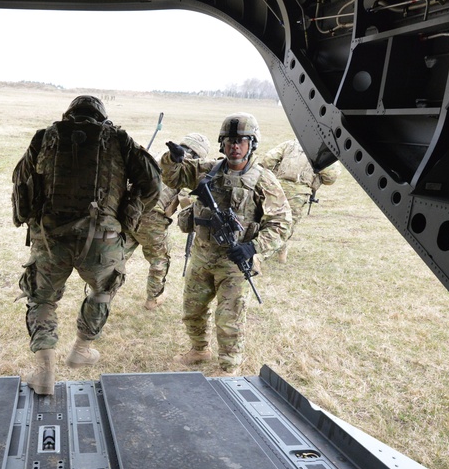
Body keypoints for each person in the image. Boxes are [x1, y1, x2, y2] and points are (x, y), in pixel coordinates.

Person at [12, 95, 161, 395]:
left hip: (51, 237)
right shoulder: (118, 138)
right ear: (101, 118)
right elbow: (153, 185)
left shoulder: (45, 138)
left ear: (68, 116)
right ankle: (82, 348)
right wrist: (125, 216)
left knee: (42, 299)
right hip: (101, 240)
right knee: (103, 289)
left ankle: (44, 373)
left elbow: (20, 180)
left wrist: (30, 220)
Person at [161, 113, 291, 377]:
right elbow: (173, 177)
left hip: (233, 262)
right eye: (230, 140)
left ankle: (229, 368)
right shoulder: (208, 169)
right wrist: (172, 159)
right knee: (192, 309)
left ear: (252, 144)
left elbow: (281, 223)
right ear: (222, 143)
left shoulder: (263, 179)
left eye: (242, 141)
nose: (235, 146)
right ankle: (199, 349)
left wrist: (252, 248)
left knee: (228, 319)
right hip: (202, 256)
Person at [125, 133, 211, 310]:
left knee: (120, 254)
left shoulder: (162, 156)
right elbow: (186, 200)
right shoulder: (187, 168)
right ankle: (153, 299)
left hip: (130, 209)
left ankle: (103, 290)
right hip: (153, 217)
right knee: (159, 259)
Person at [260, 139, 338, 263]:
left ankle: (268, 249)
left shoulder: (291, 143)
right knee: (288, 223)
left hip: (277, 186)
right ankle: (272, 253)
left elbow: (268, 160)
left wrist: (271, 176)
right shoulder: (325, 153)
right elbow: (330, 177)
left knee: (269, 217)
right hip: (299, 192)